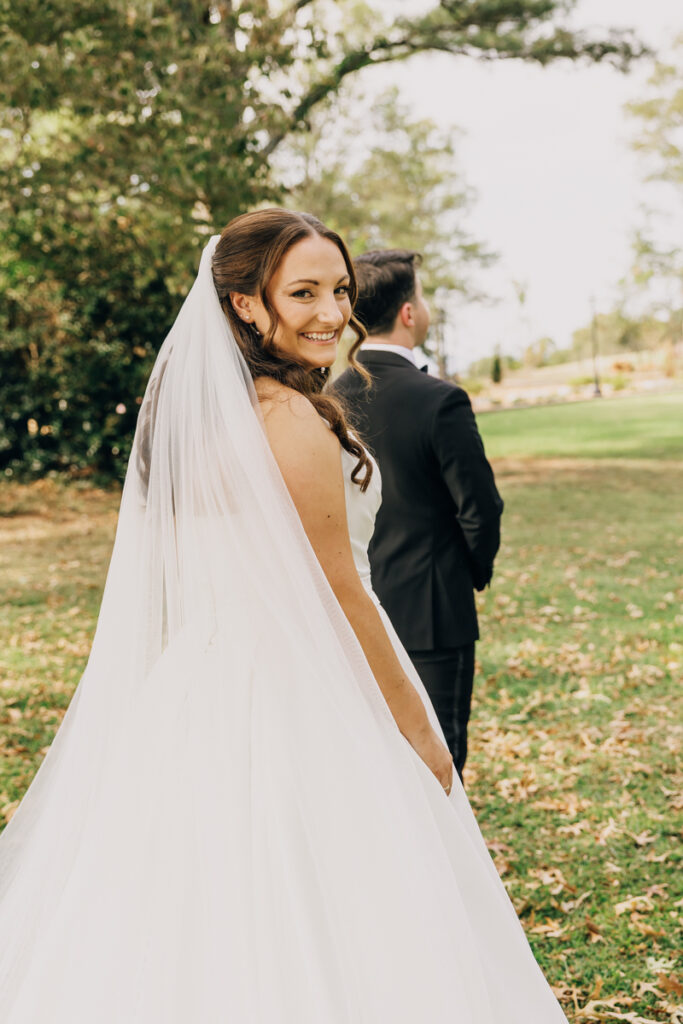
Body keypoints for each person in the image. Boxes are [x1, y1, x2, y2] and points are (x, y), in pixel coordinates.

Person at [0, 210, 566, 1023]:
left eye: (339, 289)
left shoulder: (201, 416)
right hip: (301, 679)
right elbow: (337, 589)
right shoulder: (289, 416)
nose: (331, 313)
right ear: (243, 303)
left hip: (201, 675)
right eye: (302, 293)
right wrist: (417, 731)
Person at [334, 249, 503, 780]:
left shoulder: (326, 400)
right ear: (409, 312)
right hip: (435, 614)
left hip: (349, 613)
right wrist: (468, 573)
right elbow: (480, 508)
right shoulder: (441, 400)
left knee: (374, 761)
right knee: (440, 759)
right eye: (423, 297)